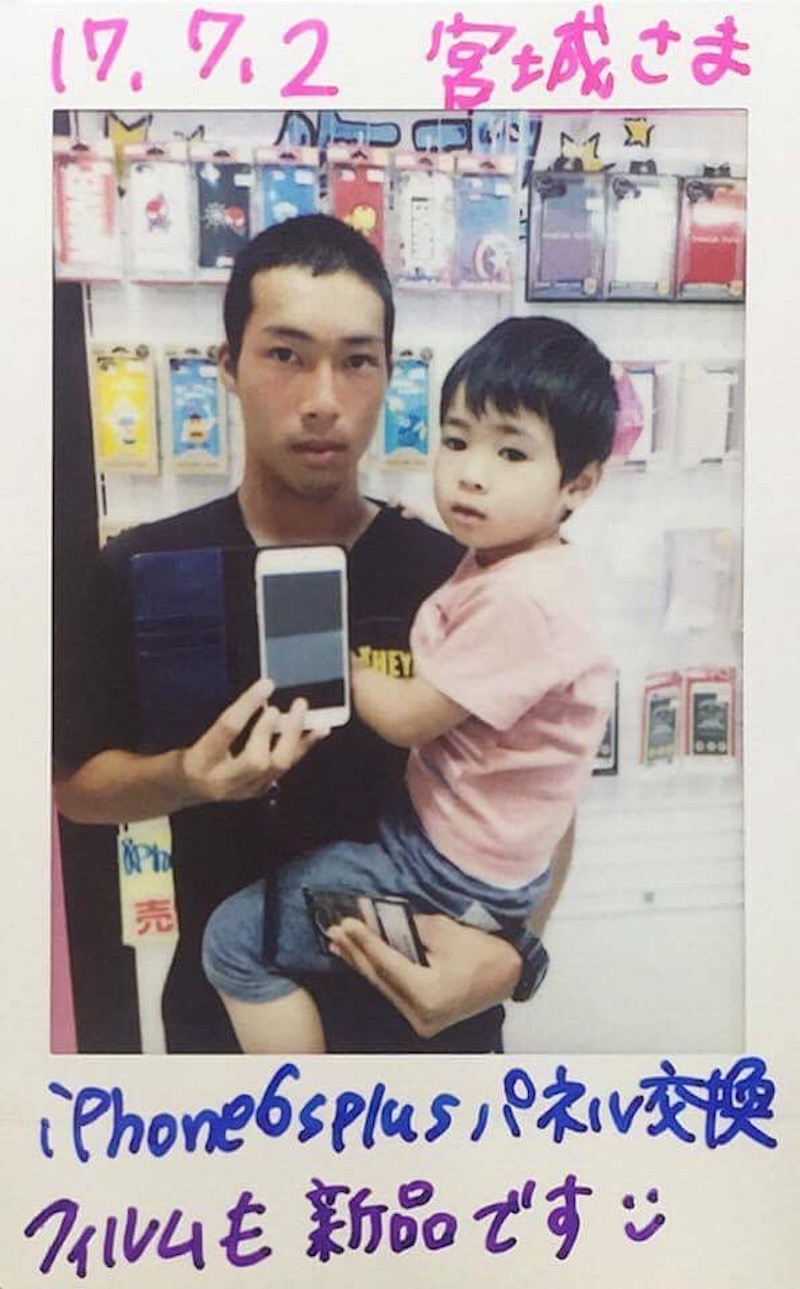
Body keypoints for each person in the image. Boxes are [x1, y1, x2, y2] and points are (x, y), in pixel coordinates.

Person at [53, 213, 533, 1054]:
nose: (323, 399)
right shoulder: (143, 567)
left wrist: (513, 957)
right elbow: (76, 786)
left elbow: (542, 789)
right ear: (228, 366)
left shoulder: (462, 575)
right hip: (228, 1025)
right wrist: (187, 777)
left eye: (357, 360)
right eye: (285, 354)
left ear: (389, 373)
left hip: (434, 1026)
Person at [201, 315, 617, 1053]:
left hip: (443, 872)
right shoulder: (519, 561)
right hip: (473, 854)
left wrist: (338, 658)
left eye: (511, 452)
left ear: (579, 483)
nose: (472, 473)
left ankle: (300, 1110)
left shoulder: (522, 601)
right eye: (456, 441)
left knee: (232, 942)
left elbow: (406, 719)